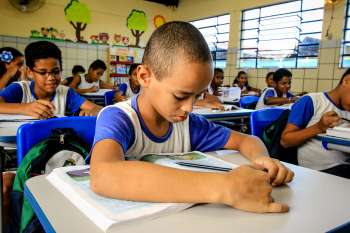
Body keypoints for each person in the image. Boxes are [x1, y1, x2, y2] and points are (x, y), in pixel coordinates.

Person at [90, 21, 294, 214]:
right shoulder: (119, 117)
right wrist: (227, 187)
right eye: (180, 95)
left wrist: (262, 160)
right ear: (145, 77)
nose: (189, 107)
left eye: (197, 96)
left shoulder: (188, 125)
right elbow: (103, 175)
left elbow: (246, 139)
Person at [0, 41, 102, 118]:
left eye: (56, 71)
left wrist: (93, 111)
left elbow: (97, 108)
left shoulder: (66, 93)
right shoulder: (20, 89)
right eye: (43, 72)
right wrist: (25, 108)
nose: (51, 78)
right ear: (30, 72)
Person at [281, 68, 350, 178]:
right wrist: (319, 127)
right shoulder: (313, 101)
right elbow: (285, 140)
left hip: (344, 166)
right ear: (347, 81)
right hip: (319, 170)